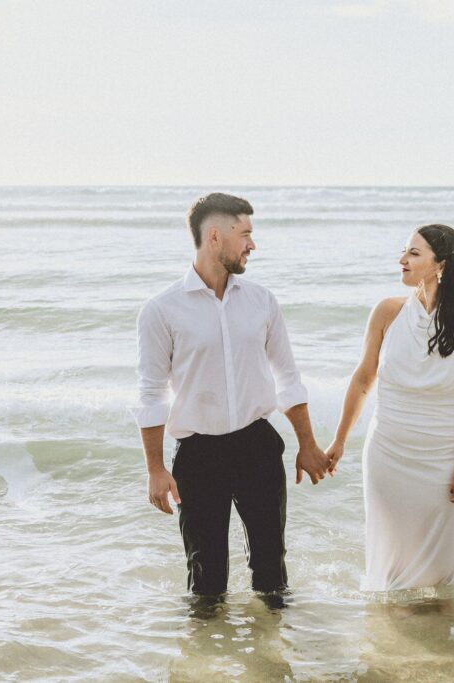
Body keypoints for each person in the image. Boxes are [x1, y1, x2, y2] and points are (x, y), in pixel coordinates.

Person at [135, 192, 330, 600]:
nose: (252, 245)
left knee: (272, 572)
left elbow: (288, 378)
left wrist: (307, 444)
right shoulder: (161, 310)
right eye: (245, 234)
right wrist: (155, 468)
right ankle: (206, 661)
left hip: (257, 446)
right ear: (215, 237)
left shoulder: (262, 301)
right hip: (198, 455)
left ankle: (272, 659)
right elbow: (151, 393)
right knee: (206, 581)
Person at [325, 224, 454, 594]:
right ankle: (390, 643)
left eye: (413, 253)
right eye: (404, 251)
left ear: (440, 265)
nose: (402, 259)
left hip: (444, 456)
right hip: (387, 453)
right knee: (390, 568)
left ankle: (439, 640)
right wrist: (339, 440)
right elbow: (363, 379)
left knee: (440, 576)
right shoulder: (387, 313)